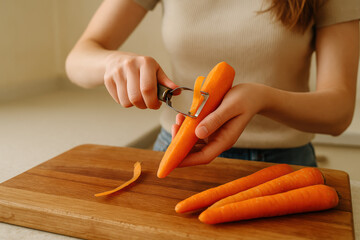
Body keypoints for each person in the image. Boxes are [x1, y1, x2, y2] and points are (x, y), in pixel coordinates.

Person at [66, 0, 359, 168]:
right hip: (177, 150)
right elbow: (78, 58)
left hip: (282, 164)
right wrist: (112, 63)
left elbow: (339, 110)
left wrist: (262, 99)